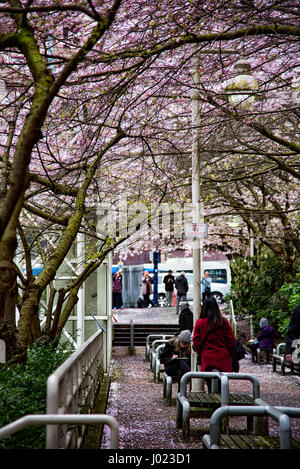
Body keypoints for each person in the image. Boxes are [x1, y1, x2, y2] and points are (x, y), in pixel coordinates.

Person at [192, 296, 236, 392]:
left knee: (210, 385)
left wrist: (201, 351)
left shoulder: (200, 323)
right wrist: (231, 354)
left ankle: (214, 405)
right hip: (223, 357)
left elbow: (196, 342)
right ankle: (224, 405)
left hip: (207, 357)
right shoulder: (223, 322)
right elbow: (231, 341)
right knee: (223, 385)